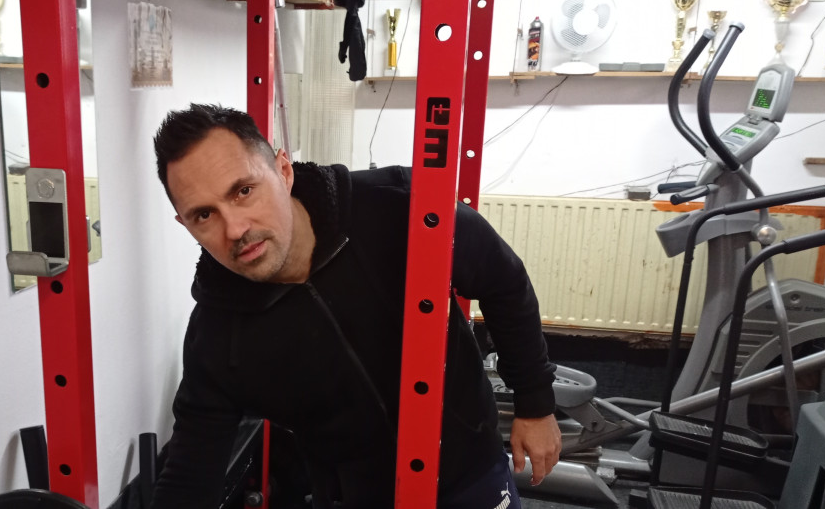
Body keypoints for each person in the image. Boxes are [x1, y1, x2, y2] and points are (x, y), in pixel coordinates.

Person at [150, 104, 560, 509]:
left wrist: (536, 404)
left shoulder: (398, 205)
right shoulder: (217, 336)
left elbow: (503, 280)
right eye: (204, 215)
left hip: (470, 470)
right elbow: (190, 470)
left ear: (283, 171)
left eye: (243, 191)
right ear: (186, 225)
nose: (235, 229)